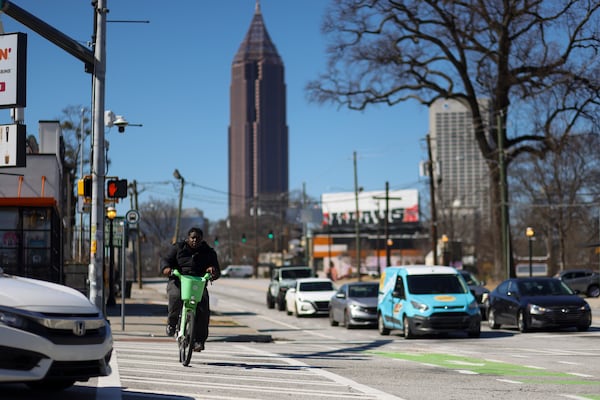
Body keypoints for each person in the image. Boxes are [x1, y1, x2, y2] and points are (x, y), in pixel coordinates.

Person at [161, 227, 220, 352]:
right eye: (192, 238)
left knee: (203, 306)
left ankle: (198, 340)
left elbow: (216, 269)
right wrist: (166, 268)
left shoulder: (208, 252)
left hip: (198, 283)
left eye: (198, 238)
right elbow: (165, 260)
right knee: (176, 297)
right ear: (188, 238)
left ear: (202, 239)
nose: (195, 240)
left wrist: (212, 271)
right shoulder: (178, 248)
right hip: (178, 280)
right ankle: (172, 323)